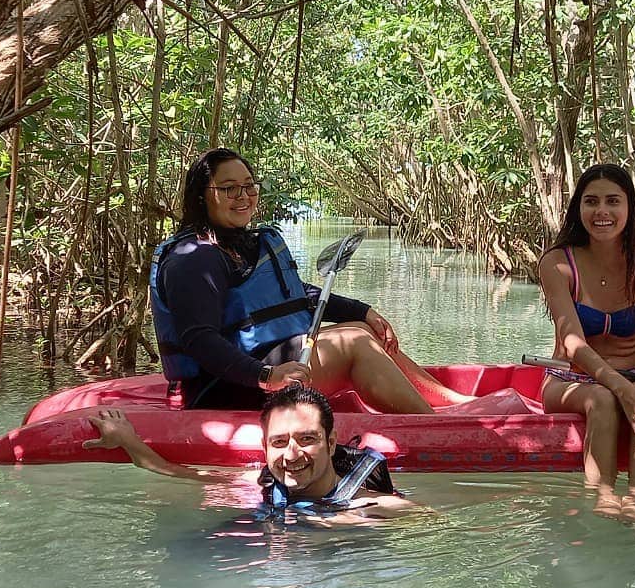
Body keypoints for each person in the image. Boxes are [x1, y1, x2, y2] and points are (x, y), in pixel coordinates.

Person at [151, 147, 470, 413]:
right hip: (224, 388)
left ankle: (449, 403)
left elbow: (293, 296)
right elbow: (199, 341)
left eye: (249, 186)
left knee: (361, 328)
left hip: (262, 364)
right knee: (354, 342)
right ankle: (430, 425)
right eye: (228, 188)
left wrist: (362, 311)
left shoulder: (240, 243)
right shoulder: (192, 259)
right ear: (201, 196)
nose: (243, 196)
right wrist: (267, 376)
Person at [537, 163, 635, 522]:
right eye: (591, 202)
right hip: (570, 380)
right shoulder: (557, 263)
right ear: (579, 208)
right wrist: (622, 391)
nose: (602, 211)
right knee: (602, 399)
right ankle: (601, 496)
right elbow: (573, 344)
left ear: (630, 207)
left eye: (613, 201)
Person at [83, 385, 415, 523]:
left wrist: (347, 525)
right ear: (265, 447)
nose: (292, 454)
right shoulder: (255, 486)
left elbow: (435, 528)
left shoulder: (375, 507)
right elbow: (174, 471)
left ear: (330, 443)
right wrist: (126, 440)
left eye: (307, 439)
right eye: (279, 442)